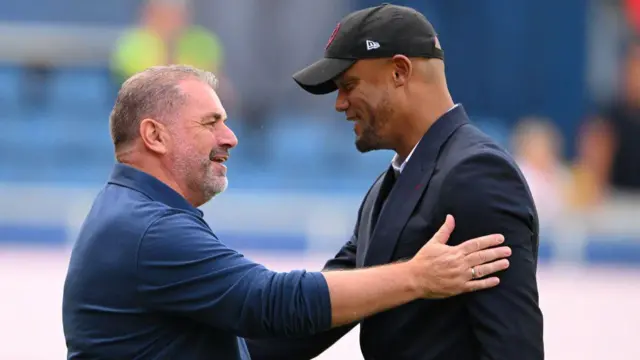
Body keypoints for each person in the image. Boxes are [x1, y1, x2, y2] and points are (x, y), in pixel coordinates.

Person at [61, 64, 512, 360]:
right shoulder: (150, 230)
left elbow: (257, 336)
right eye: (210, 123)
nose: (230, 137)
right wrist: (416, 277)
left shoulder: (136, 214)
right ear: (154, 136)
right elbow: (272, 304)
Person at [246, 4, 544, 360]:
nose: (339, 103)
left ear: (399, 72)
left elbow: (513, 348)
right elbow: (320, 314)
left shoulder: (477, 173)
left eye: (348, 85)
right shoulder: (389, 184)